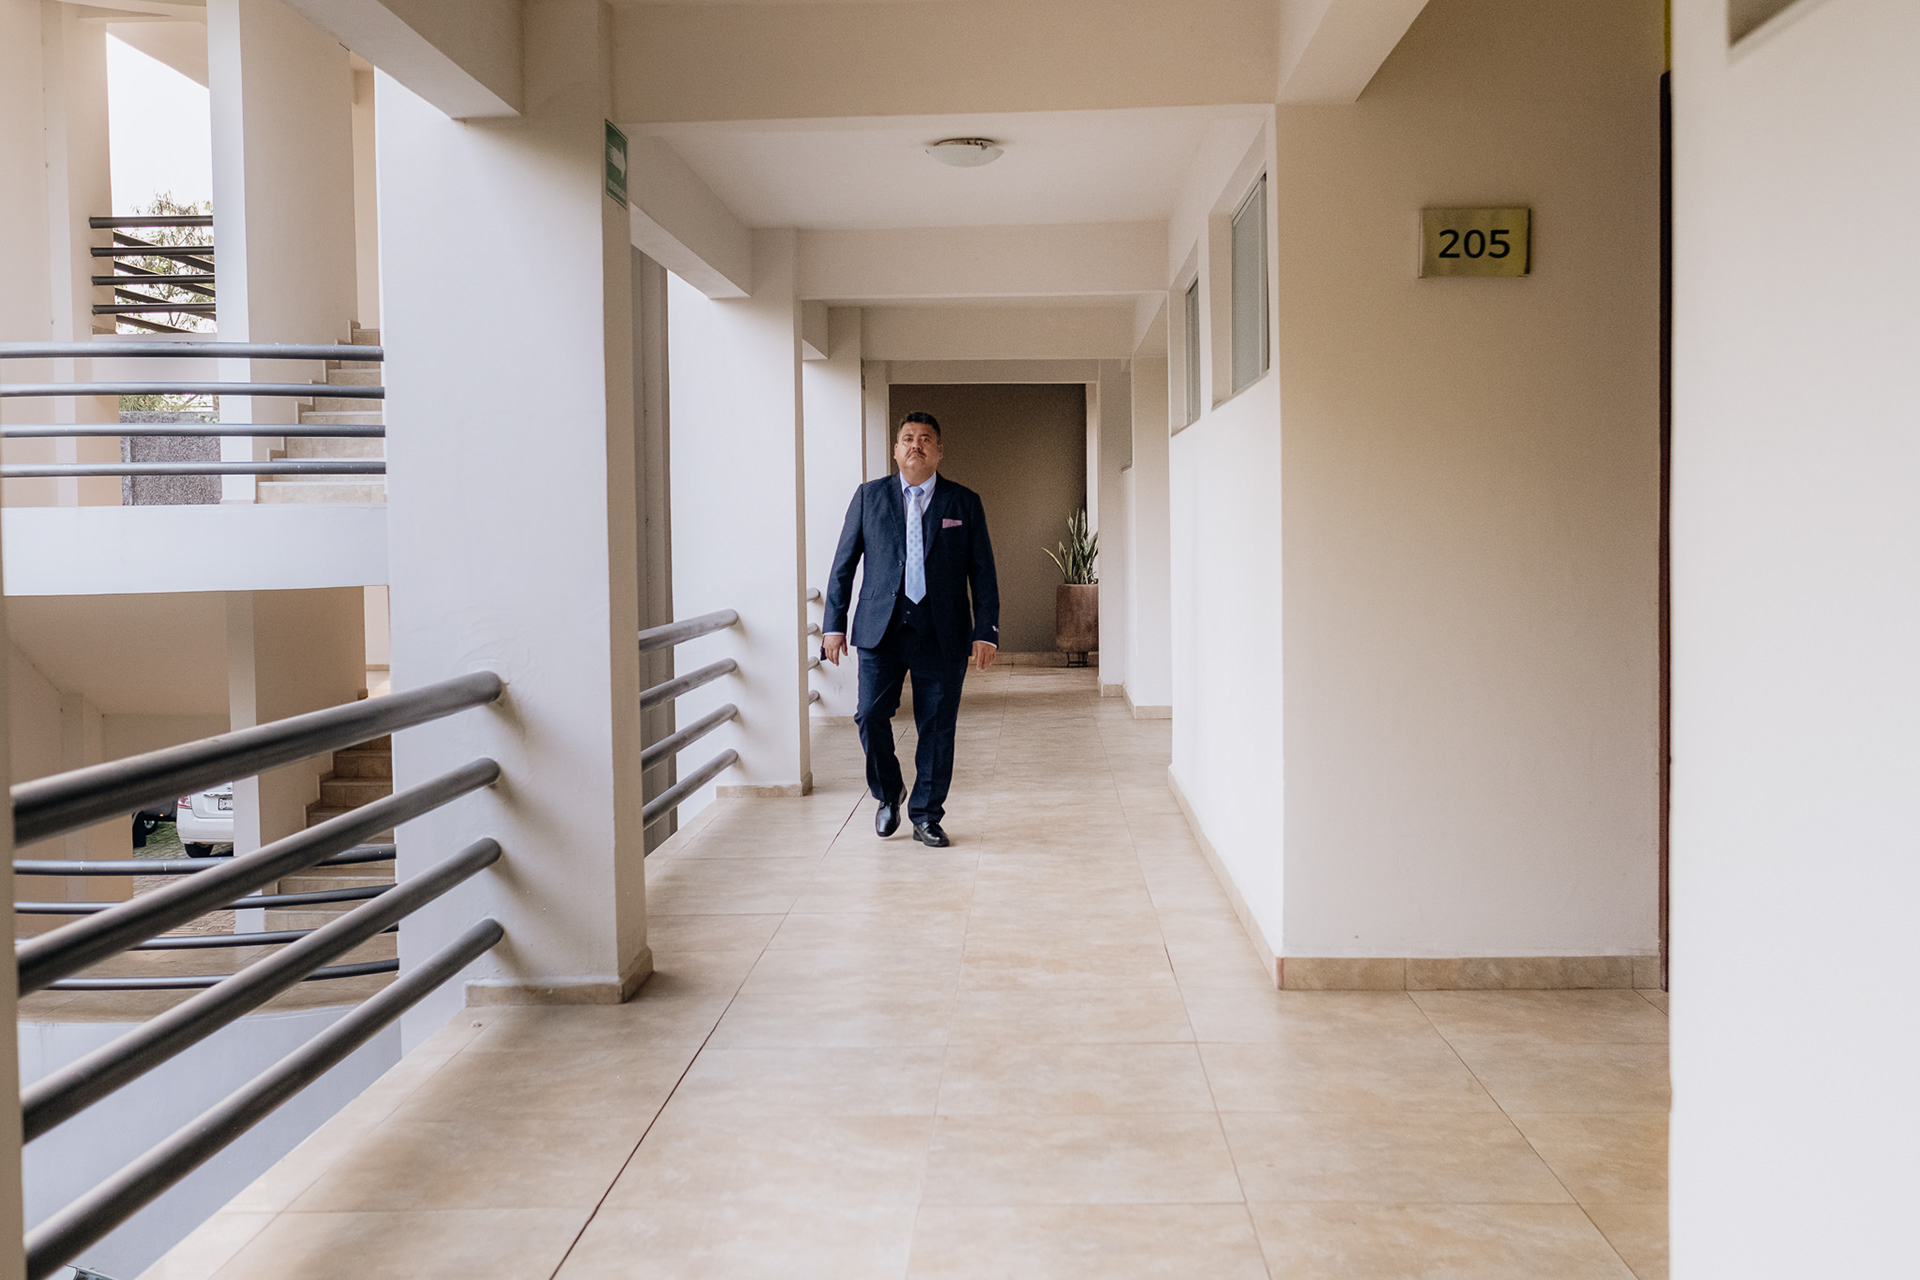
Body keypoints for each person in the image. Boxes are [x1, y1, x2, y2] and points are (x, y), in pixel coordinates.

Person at [822, 412, 999, 847]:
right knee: (869, 714)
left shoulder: (963, 502)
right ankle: (889, 792)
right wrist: (833, 625)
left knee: (937, 726)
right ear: (896, 450)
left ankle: (926, 816)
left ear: (939, 451)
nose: (915, 445)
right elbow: (844, 565)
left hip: (943, 632)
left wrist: (986, 631)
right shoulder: (869, 497)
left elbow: (983, 572)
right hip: (880, 630)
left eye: (925, 439)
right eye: (907, 438)